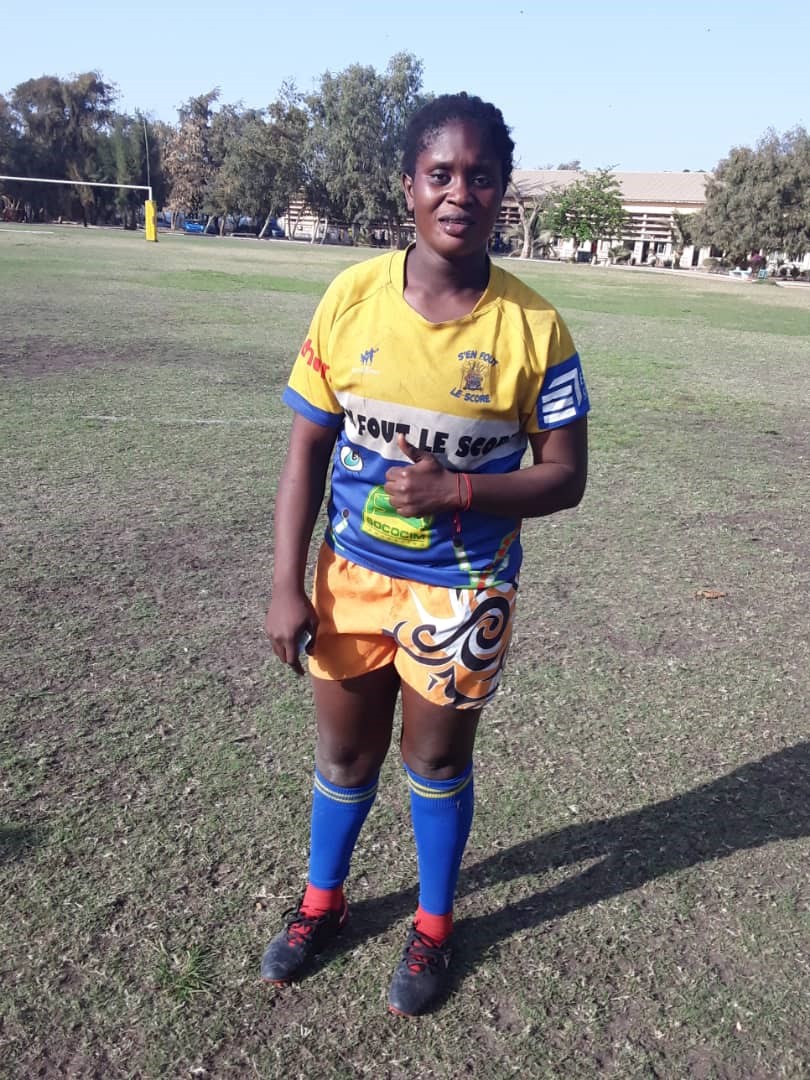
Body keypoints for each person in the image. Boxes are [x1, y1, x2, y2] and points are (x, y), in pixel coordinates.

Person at [261, 92, 590, 1016]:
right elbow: (306, 452)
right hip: (351, 576)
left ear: (502, 192)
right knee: (344, 753)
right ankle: (322, 904)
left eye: (480, 177)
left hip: (463, 588)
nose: (459, 193)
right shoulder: (350, 297)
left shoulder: (534, 329)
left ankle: (435, 925)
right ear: (407, 184)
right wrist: (285, 582)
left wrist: (460, 491)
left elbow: (567, 477)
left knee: (436, 763)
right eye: (440, 173)